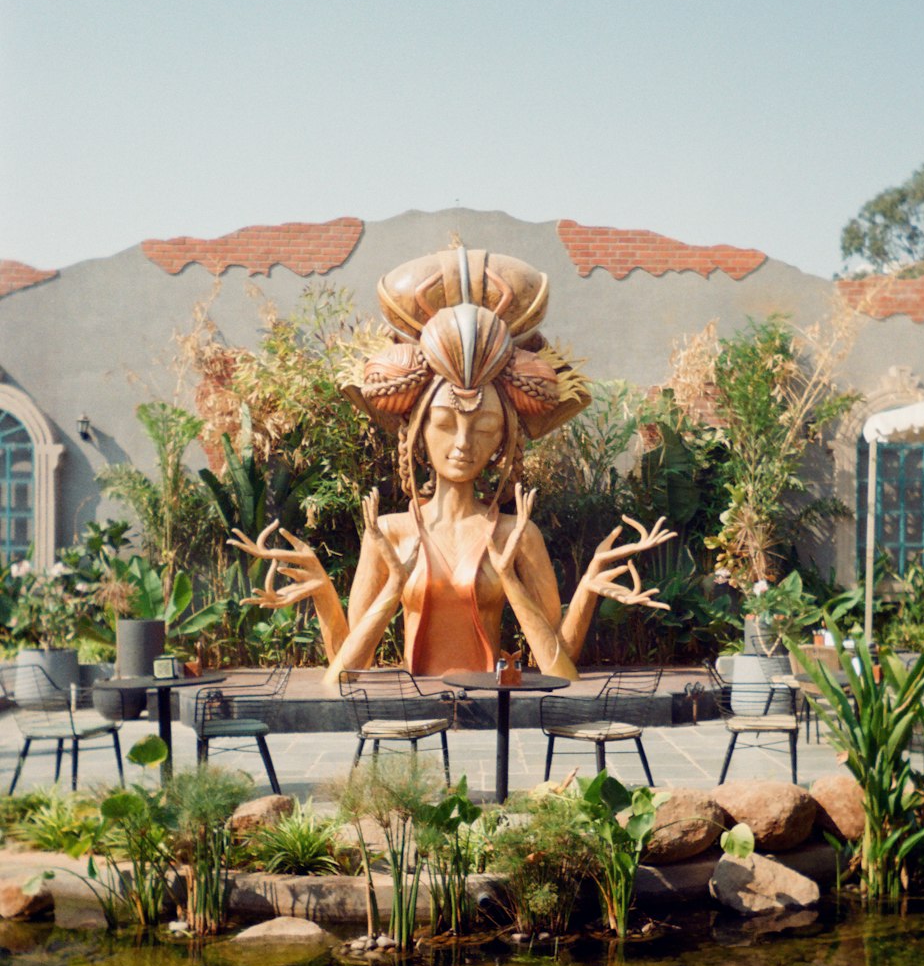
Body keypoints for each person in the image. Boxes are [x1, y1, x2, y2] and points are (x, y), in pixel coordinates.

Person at [232, 245, 671, 683]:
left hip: (492, 707)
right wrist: (330, 593)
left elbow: (561, 666)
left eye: (484, 429)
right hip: (417, 706)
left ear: (504, 439)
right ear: (418, 430)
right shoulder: (386, 532)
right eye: (445, 423)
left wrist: (579, 587)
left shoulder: (516, 535)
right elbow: (347, 670)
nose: (463, 443)